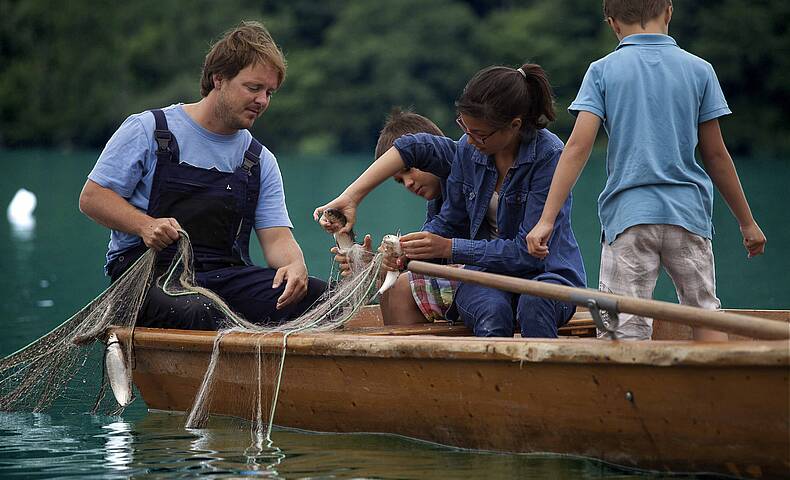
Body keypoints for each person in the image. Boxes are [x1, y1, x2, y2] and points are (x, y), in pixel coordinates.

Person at [525, 0, 767, 341]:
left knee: (623, 325)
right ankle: (715, 391)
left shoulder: (603, 70)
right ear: (668, 11)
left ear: (612, 24)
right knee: (705, 314)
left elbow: (577, 148)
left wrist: (546, 219)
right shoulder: (700, 69)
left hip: (629, 217)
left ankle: (628, 393)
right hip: (688, 214)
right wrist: (747, 222)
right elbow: (716, 155)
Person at [79, 21, 326, 330]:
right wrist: (145, 225)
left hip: (224, 276)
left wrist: (295, 265)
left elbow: (276, 238)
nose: (263, 101)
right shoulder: (147, 129)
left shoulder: (260, 159)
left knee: (321, 296)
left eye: (269, 92)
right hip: (146, 275)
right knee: (201, 311)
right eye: (253, 88)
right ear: (218, 79)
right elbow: (92, 198)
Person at [316, 64, 587, 338]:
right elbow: (446, 215)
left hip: (546, 276)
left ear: (514, 125)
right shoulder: (470, 152)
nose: (469, 140)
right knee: (490, 310)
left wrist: (449, 247)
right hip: (484, 277)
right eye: (464, 128)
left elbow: (525, 254)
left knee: (535, 303)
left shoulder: (549, 156)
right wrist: (398, 245)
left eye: (479, 133)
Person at [327, 108, 461, 325]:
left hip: (489, 281)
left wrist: (393, 259)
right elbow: (425, 254)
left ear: (431, 152)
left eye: (409, 170)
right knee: (387, 276)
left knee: (400, 285)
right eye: (400, 180)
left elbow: (440, 238)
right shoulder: (435, 203)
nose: (408, 183)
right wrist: (372, 262)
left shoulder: (460, 178)